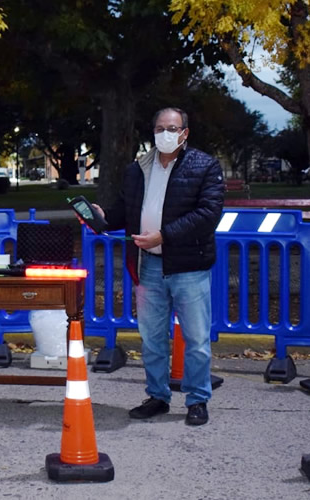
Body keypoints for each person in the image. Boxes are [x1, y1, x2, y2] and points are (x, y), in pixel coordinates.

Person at [90, 107, 224, 425]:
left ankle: (197, 400)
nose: (166, 133)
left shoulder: (204, 166)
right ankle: (158, 396)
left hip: (188, 266)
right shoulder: (139, 168)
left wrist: (164, 236)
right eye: (160, 127)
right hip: (148, 264)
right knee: (151, 338)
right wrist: (103, 217)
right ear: (153, 132)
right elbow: (126, 209)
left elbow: (208, 215)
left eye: (173, 128)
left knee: (196, 339)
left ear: (185, 133)